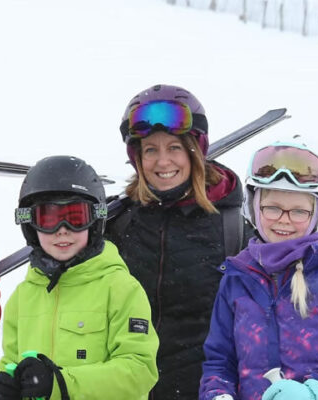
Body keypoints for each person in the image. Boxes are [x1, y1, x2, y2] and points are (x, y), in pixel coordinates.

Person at [199, 137, 318, 400]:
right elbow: (219, 361)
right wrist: (217, 394)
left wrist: (316, 392)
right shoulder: (237, 277)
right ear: (254, 207)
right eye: (273, 208)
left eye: (299, 211)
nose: (284, 220)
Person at [104, 84, 249, 399]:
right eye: (150, 150)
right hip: (127, 390)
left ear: (194, 152)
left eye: (174, 148)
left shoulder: (232, 228)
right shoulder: (118, 224)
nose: (162, 162)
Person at [0, 155, 159, 400]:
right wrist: (5, 382)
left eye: (76, 216)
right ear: (30, 224)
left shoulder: (120, 288)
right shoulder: (22, 296)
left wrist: (63, 384)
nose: (62, 230)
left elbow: (139, 370)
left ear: (95, 219)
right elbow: (12, 361)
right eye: (48, 218)